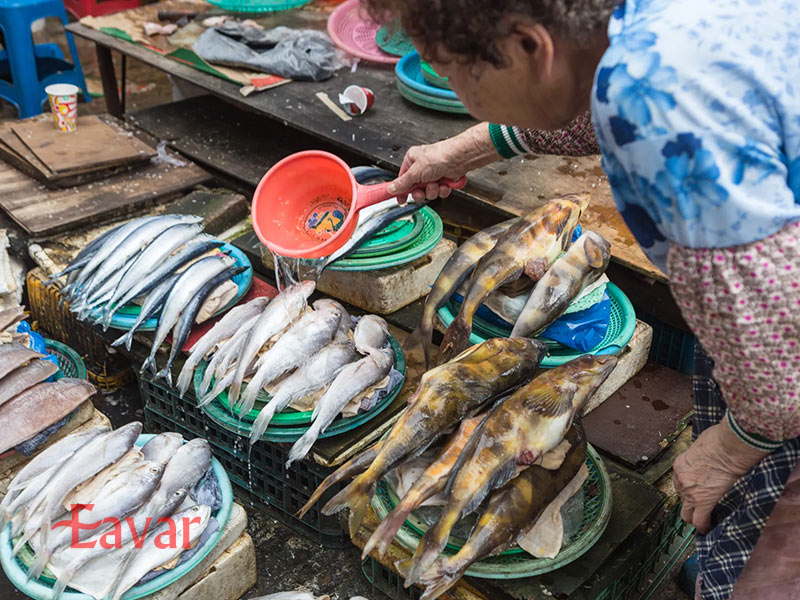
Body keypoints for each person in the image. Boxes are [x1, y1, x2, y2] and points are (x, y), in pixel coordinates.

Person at [360, 1, 800, 599]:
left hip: (786, 369)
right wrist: (464, 149)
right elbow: (586, 100)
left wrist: (726, 453)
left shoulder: (668, 117)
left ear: (528, 47)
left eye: (451, 69)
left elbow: (780, 379)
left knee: (761, 567)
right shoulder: (630, 33)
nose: (457, 92)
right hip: (769, 336)